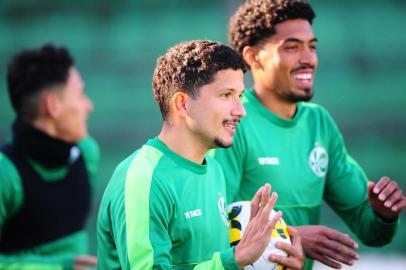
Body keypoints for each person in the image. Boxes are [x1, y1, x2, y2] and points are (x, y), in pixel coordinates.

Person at [212, 0, 406, 269]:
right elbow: (211, 224)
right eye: (292, 47)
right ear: (252, 57)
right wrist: (290, 234)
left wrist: (384, 214)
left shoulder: (319, 123)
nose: (308, 59)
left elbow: (370, 229)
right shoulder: (232, 121)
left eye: (311, 47)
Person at [97, 40, 304, 270]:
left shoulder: (213, 170)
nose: (240, 110)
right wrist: (234, 259)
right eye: (226, 95)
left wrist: (271, 258)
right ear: (183, 104)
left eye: (240, 96)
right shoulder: (144, 179)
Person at [0, 44, 99, 269]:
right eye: (81, 94)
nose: (89, 106)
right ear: (52, 106)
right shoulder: (5, 173)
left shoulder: (87, 153)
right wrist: (61, 266)